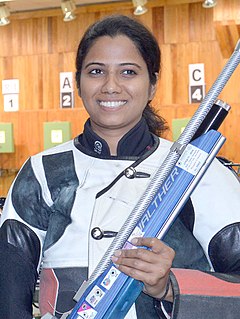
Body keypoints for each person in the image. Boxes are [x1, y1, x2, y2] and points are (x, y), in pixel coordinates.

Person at [0, 14, 240, 319]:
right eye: (96, 71)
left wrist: (170, 286)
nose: (111, 86)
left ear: (152, 85)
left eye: (128, 72)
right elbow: (7, 295)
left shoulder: (200, 173)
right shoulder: (42, 172)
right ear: (78, 83)